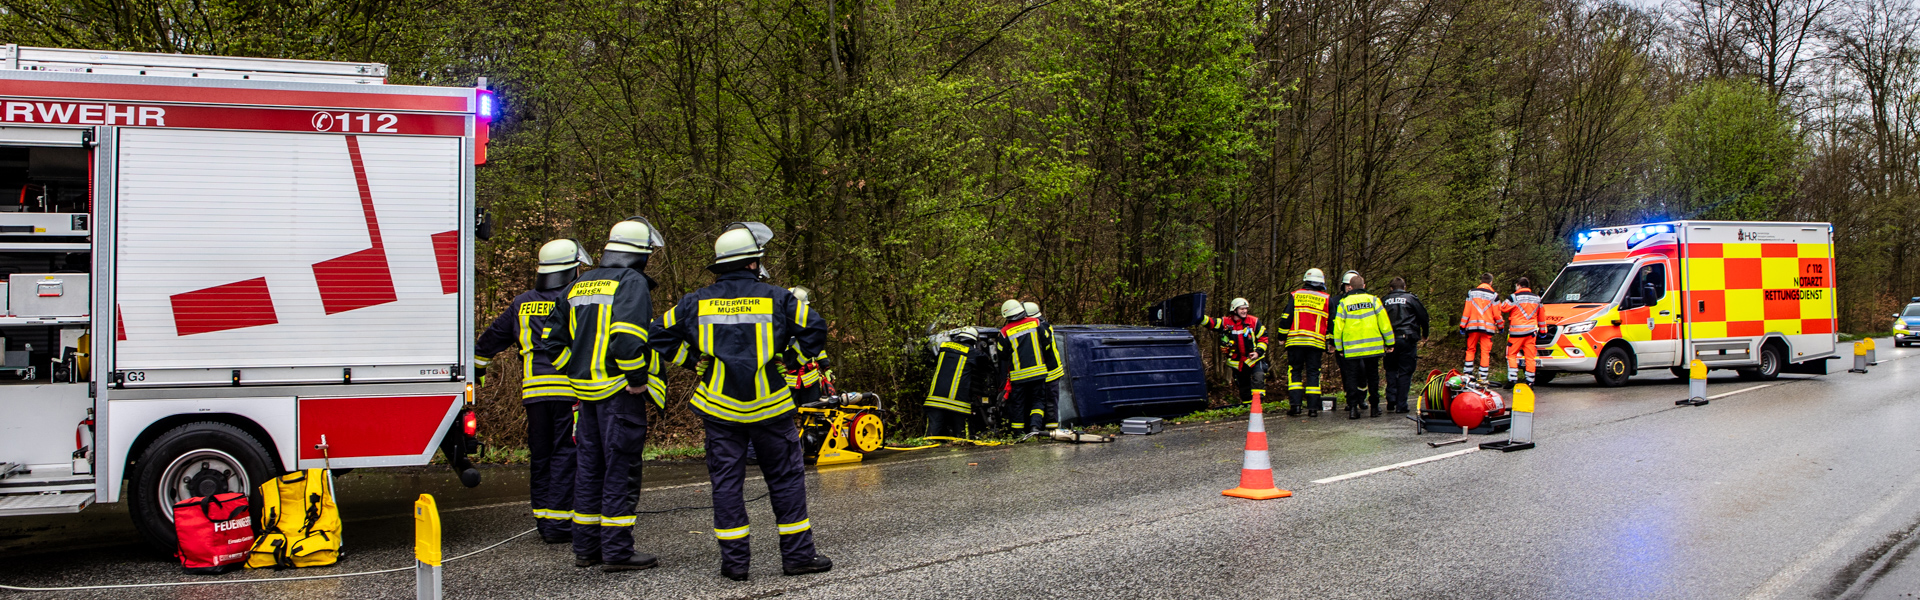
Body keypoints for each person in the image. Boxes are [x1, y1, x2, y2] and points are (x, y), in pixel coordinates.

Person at [651, 221, 833, 581]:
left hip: (718, 405)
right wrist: (793, 361)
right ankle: (797, 557)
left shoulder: (695, 302)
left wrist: (691, 360)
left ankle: (735, 564)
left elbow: (657, 332)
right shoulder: (779, 297)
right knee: (785, 479)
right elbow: (816, 327)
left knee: (726, 484)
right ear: (753, 263)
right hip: (771, 404)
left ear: (720, 265)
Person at [542, 218, 664, 572]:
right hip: (618, 393)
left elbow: (551, 340)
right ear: (640, 254)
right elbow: (627, 338)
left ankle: (586, 548)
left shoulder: (578, 283)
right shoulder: (632, 282)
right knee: (621, 470)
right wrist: (637, 378)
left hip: (586, 395)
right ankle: (617, 551)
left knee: (590, 469)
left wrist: (577, 370)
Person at [474, 238, 588, 545]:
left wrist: (477, 368)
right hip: (569, 392)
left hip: (534, 392)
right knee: (566, 454)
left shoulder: (521, 302)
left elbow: (489, 341)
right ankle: (559, 524)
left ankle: (543, 519)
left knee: (541, 455)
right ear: (571, 269)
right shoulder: (577, 298)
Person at [1331, 274, 1394, 418]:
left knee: (1351, 378)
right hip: (1373, 348)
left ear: (1350, 287)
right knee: (1373, 377)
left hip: (1352, 349)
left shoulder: (1344, 303)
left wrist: (1339, 348)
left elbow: (1338, 328)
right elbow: (1385, 324)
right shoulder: (1374, 300)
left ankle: (1353, 409)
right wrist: (1389, 343)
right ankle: (1375, 407)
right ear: (1364, 286)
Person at [996, 299, 1060, 436]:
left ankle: (1018, 432)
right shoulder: (1036, 323)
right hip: (1038, 373)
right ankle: (1035, 428)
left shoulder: (1004, 332)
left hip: (1018, 376)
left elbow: (1001, 353)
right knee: (1038, 401)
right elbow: (1047, 341)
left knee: (1018, 403)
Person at [1276, 268, 1332, 416]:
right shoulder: (1326, 299)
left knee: (1295, 372)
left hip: (1295, 342)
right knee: (1313, 373)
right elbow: (1331, 323)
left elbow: (1286, 318)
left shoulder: (1296, 295)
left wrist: (1281, 337)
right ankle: (1313, 409)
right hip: (1315, 343)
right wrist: (1330, 342)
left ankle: (1296, 406)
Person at [1199, 297, 1270, 406]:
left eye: (1246, 309)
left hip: (1254, 359)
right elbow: (1211, 323)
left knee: (1258, 378)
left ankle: (1258, 405)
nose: (1244, 311)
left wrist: (1258, 352)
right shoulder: (1226, 322)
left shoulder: (1254, 321)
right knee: (1243, 386)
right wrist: (1198, 316)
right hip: (1237, 362)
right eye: (1242, 309)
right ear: (1234, 310)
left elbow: (1263, 338)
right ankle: (1247, 407)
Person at [1382, 277, 1429, 413]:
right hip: (1407, 339)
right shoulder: (1411, 299)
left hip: (1389, 340)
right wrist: (1425, 333)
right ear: (1404, 286)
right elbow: (1423, 316)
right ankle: (1401, 404)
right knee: (1405, 371)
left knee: (1390, 369)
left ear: (1391, 288)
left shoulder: (1384, 300)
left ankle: (1391, 399)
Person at [924, 327, 981, 438]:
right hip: (957, 403)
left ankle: (927, 451)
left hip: (935, 400)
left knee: (932, 435)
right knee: (961, 437)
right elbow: (985, 361)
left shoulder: (944, 347)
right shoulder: (971, 352)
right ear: (972, 341)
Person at [1025, 301, 1068, 425]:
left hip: (1050, 371)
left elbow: (1045, 346)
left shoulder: (1042, 327)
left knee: (1049, 402)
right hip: (1046, 370)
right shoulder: (1042, 325)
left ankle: (1051, 429)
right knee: (1044, 401)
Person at [1498, 277, 1543, 388]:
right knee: (1530, 357)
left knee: (1511, 355)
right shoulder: (1537, 298)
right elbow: (1541, 316)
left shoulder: (1514, 297)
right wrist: (1543, 330)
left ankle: (1513, 379)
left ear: (1518, 285)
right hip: (1531, 332)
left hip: (1516, 333)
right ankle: (1530, 381)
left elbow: (1503, 308)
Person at [1459, 273, 1502, 383]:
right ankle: (1483, 377)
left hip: (1472, 326)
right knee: (1485, 352)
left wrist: (1462, 325)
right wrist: (1501, 326)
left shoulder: (1471, 293)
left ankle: (1467, 374)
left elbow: (1467, 310)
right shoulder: (1494, 295)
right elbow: (1497, 314)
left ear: (1481, 281)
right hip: (1487, 328)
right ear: (1491, 282)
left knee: (1470, 349)